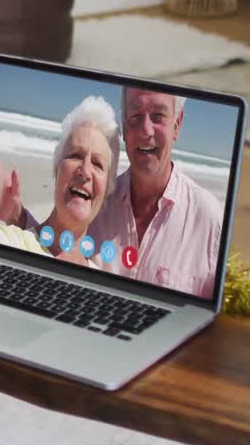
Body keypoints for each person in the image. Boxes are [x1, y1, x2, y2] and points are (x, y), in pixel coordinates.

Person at [86, 88, 223, 298]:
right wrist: (20, 218)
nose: (145, 131)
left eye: (158, 116)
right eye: (135, 116)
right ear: (124, 125)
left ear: (177, 123)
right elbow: (56, 248)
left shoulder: (209, 217)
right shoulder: (96, 203)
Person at [0, 96, 121, 267]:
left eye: (97, 164)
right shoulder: (10, 243)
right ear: (57, 169)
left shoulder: (100, 280)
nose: (86, 171)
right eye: (75, 155)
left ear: (106, 191)